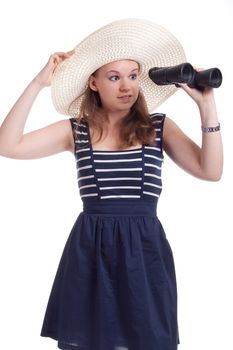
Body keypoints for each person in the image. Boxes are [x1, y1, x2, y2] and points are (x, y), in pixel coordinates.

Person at [0, 18, 223, 350]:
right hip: (91, 251)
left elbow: (211, 171)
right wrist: (37, 83)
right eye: (114, 77)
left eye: (133, 76)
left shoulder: (158, 127)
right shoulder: (75, 131)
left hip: (146, 252)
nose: (127, 87)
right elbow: (7, 145)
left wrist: (207, 105)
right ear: (93, 83)